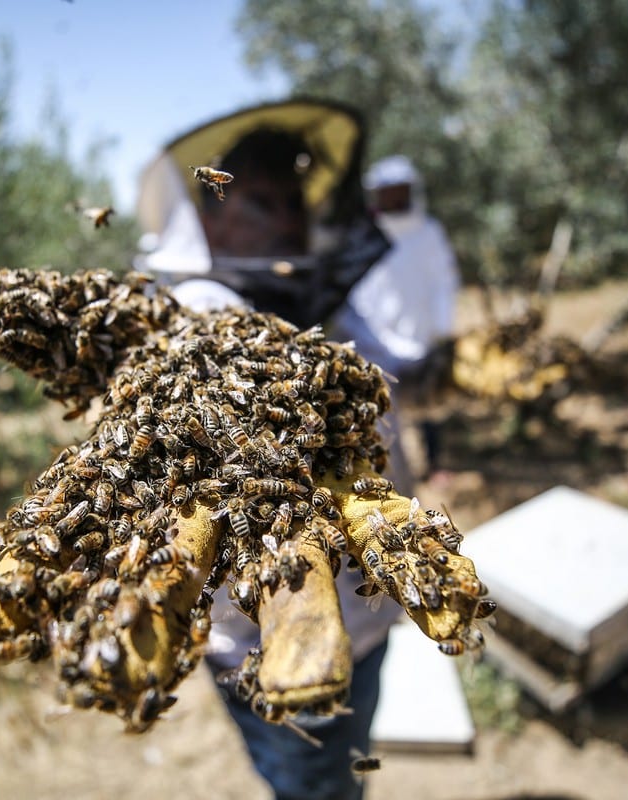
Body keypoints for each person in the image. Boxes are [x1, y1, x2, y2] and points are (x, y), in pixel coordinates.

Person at [135, 100, 399, 800]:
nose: (286, 219)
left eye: (294, 200)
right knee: (310, 780)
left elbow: (393, 381)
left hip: (368, 611)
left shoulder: (322, 295)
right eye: (260, 201)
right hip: (261, 636)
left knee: (343, 768)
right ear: (212, 210)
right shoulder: (192, 315)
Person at [330, 155, 460, 484]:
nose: (394, 197)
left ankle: (435, 462)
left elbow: (444, 281)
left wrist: (442, 330)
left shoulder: (428, 232)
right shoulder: (363, 234)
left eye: (399, 190)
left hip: (421, 332)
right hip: (375, 339)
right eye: (387, 191)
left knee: (430, 402)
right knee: (384, 416)